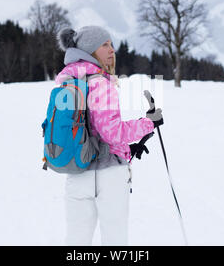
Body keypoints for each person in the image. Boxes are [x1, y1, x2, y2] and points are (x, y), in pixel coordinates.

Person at [55, 25, 164, 246]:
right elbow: (112, 132)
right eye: (105, 45)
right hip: (109, 176)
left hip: (77, 171)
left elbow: (86, 129)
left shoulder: (68, 82)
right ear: (90, 50)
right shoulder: (100, 83)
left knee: (76, 241)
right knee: (115, 241)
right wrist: (148, 124)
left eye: (111, 44)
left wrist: (127, 148)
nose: (112, 49)